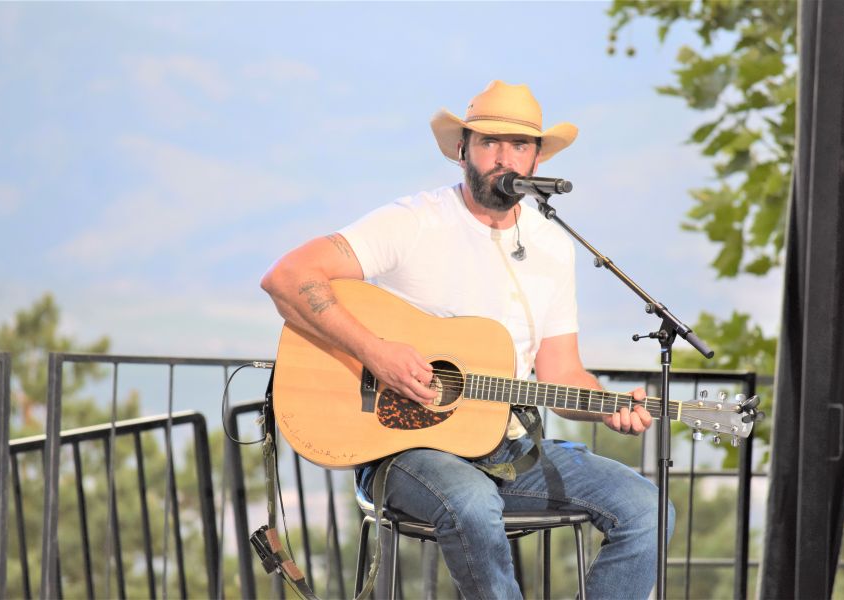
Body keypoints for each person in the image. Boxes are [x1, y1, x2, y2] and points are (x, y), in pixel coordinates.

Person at [261, 80, 674, 599]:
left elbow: (562, 374)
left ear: (537, 159)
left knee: (644, 507)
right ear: (462, 151)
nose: (503, 158)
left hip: (503, 448)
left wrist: (607, 408)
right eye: (489, 143)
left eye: (518, 146)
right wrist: (377, 353)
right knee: (474, 504)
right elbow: (287, 277)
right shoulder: (413, 221)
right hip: (402, 451)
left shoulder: (553, 244)